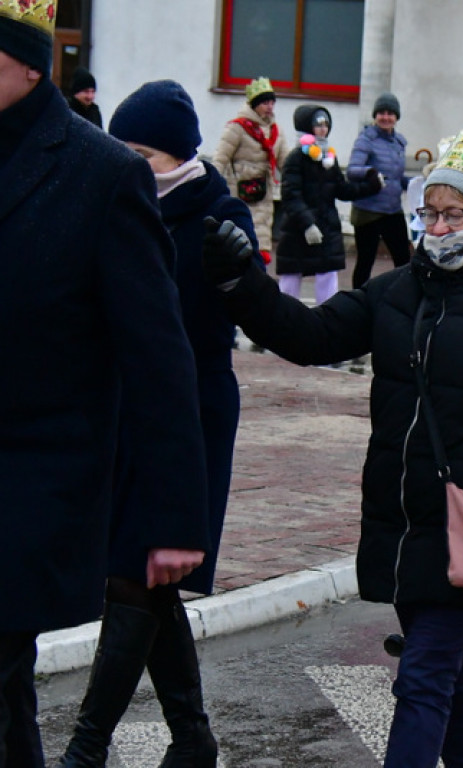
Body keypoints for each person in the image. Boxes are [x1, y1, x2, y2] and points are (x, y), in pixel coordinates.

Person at [201, 126, 463, 767]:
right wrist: (240, 282)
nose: (439, 228)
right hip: (407, 518)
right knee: (446, 673)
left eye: (457, 214)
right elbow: (310, 337)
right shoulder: (400, 291)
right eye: (431, 213)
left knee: (421, 677)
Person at [0, 5, 209, 765]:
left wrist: (174, 516)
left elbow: (159, 361)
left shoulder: (100, 174)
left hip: (32, 480)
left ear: (30, 65)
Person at [55, 80, 264, 768]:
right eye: (120, 147)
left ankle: (87, 748)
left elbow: (235, 312)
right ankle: (194, 735)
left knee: (135, 579)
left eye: (139, 151)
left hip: (189, 414)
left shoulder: (216, 213)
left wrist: (239, 271)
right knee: (147, 575)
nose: (125, 161)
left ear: (176, 156)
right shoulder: (109, 202)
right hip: (122, 413)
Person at [276, 105, 382, 305]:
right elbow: (291, 196)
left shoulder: (328, 158)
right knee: (291, 276)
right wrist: (308, 224)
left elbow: (341, 189)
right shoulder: (296, 158)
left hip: (327, 227)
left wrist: (371, 186)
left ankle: (328, 318)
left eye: (326, 124)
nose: (323, 128)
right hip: (298, 229)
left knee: (328, 274)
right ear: (307, 127)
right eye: (318, 124)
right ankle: (286, 318)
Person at [212, 76, 288, 269]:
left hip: (264, 193)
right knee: (242, 236)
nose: (270, 106)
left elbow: (286, 163)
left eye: (272, 102)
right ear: (254, 104)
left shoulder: (275, 131)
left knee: (261, 239)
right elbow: (220, 158)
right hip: (239, 192)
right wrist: (212, 187)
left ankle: (257, 277)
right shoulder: (237, 128)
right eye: (264, 102)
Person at [347, 92, 411, 289]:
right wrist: (372, 172)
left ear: (396, 117)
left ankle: (403, 296)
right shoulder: (366, 139)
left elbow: (397, 176)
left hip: (392, 209)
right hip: (368, 211)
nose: (386, 117)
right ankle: (357, 299)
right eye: (381, 113)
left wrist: (415, 184)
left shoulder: (400, 142)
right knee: (366, 261)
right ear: (375, 116)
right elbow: (352, 170)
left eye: (390, 113)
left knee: (404, 260)